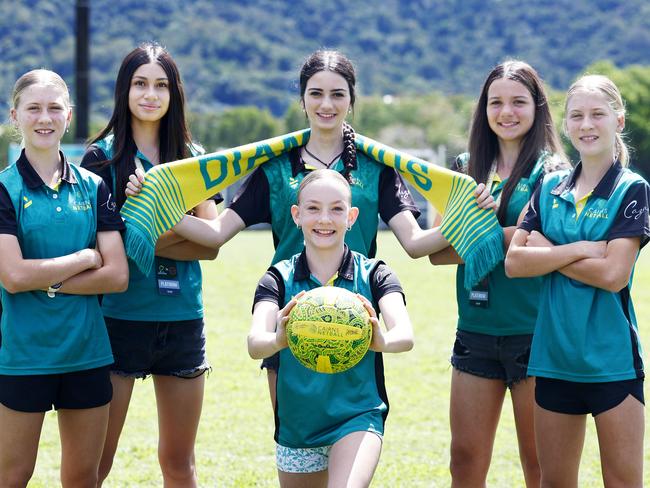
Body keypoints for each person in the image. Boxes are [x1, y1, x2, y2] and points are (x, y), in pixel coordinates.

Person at [163, 49, 471, 406]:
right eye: (316, 93)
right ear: (303, 100)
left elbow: (416, 243)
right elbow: (216, 233)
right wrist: (161, 205)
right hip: (287, 315)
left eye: (338, 94)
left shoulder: (377, 167)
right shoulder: (275, 168)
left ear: (352, 102)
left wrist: (467, 214)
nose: (327, 104)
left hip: (354, 320)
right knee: (295, 443)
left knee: (355, 427)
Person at [80, 43, 220, 487]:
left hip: (181, 319)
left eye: (161, 85)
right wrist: (178, 232)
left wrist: (149, 218)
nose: (150, 95)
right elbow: (108, 252)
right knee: (96, 464)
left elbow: (211, 244)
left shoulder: (193, 156)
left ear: (174, 93)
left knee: (179, 464)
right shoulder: (100, 158)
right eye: (140, 83)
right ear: (124, 90)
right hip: (118, 318)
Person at [429, 60, 568, 487]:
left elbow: (546, 250)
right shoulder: (464, 168)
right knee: (465, 460)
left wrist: (484, 232)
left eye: (518, 102)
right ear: (483, 109)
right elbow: (438, 251)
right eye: (496, 102)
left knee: (538, 464)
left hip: (535, 333)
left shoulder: (554, 173)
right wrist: (505, 234)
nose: (506, 112)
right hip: (475, 331)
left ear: (537, 107)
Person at [505, 74, 648, 487]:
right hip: (553, 358)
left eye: (597, 114)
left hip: (612, 362)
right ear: (566, 125)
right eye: (577, 116)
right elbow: (515, 262)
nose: (587, 125)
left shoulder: (632, 189)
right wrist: (581, 248)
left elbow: (612, 275)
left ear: (618, 120)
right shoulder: (549, 187)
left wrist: (547, 252)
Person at [0, 69, 127, 487]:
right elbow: (14, 276)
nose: (45, 117)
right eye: (33, 108)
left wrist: (51, 281)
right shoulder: (4, 188)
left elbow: (117, 275)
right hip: (21, 355)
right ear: (14, 115)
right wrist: (84, 256)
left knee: (82, 478)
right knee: (12, 475)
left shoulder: (93, 187)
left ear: (68, 116)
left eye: (55, 108)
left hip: (87, 351)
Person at [248, 168, 414, 487]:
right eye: (313, 208)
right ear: (296, 215)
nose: (325, 219)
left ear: (351, 216)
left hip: (358, 416)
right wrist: (278, 339)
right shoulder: (277, 278)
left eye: (337, 209)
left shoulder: (376, 274)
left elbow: (404, 334)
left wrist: (382, 341)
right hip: (299, 425)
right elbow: (255, 342)